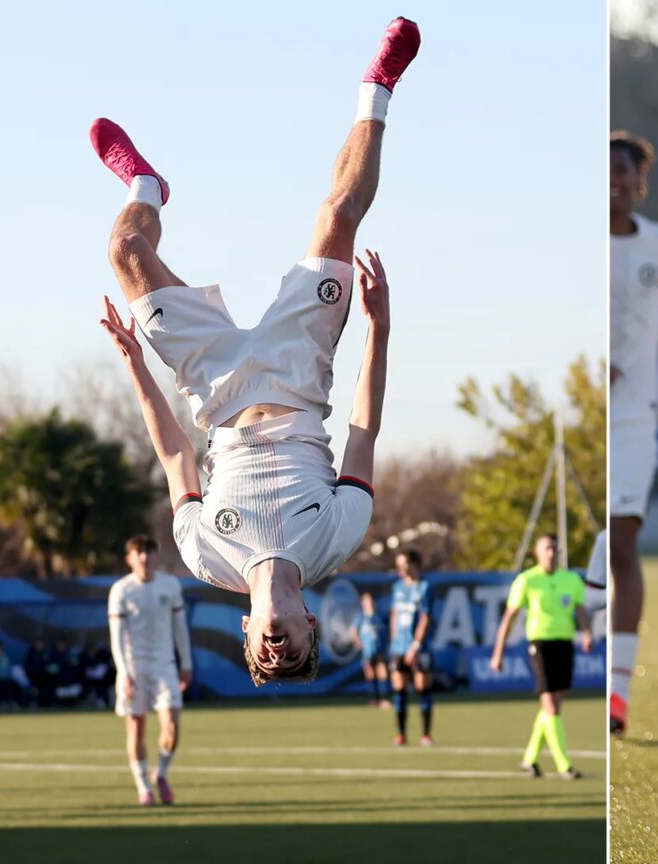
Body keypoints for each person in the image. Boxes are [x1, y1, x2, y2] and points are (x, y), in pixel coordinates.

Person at [93, 17, 416, 687]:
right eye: (291, 652)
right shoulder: (337, 537)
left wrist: (134, 363)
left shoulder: (205, 557)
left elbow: (176, 454)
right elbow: (363, 428)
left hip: (213, 387)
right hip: (299, 370)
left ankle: (146, 189)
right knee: (337, 215)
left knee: (125, 253)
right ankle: (377, 88)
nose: (276, 650)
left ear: (245, 632)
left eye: (265, 657)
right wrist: (378, 326)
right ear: (311, 628)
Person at [608, 130, 658, 737]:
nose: (612, 180)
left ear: (637, 177)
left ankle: (617, 695)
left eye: (621, 170)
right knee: (589, 545)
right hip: (585, 416)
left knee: (624, 542)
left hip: (635, 416)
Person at [490, 534, 595, 781]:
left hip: (564, 644)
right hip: (540, 645)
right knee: (550, 706)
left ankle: (530, 758)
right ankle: (564, 765)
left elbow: (581, 610)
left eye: (555, 548)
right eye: (547, 548)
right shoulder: (527, 580)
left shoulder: (570, 580)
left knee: (553, 706)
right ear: (537, 552)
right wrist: (498, 653)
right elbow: (509, 618)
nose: (551, 553)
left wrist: (587, 632)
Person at [109, 535, 194, 806]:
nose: (144, 557)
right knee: (136, 730)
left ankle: (162, 774)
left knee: (171, 726)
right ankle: (143, 787)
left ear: (156, 556)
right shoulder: (121, 590)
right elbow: (117, 637)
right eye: (139, 553)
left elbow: (180, 628)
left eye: (149, 552)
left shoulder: (170, 586)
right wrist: (124, 673)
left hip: (165, 665)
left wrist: (186, 663)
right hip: (134, 668)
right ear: (130, 559)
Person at [387, 549, 435, 745]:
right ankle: (401, 735)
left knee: (423, 687)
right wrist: (394, 642)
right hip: (399, 647)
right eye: (398, 564)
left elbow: (426, 617)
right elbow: (394, 615)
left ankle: (426, 734)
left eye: (403, 564)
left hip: (419, 648)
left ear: (414, 564)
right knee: (399, 689)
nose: (400, 568)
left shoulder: (425, 587)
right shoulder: (397, 587)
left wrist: (416, 645)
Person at [356, 589, 389, 707]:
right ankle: (374, 700)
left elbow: (389, 631)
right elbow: (353, 632)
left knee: (383, 674)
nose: (368, 603)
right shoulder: (361, 617)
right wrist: (359, 643)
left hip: (380, 650)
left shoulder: (380, 615)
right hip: (367, 652)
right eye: (366, 601)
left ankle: (384, 699)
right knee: (371, 675)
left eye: (370, 600)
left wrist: (387, 643)